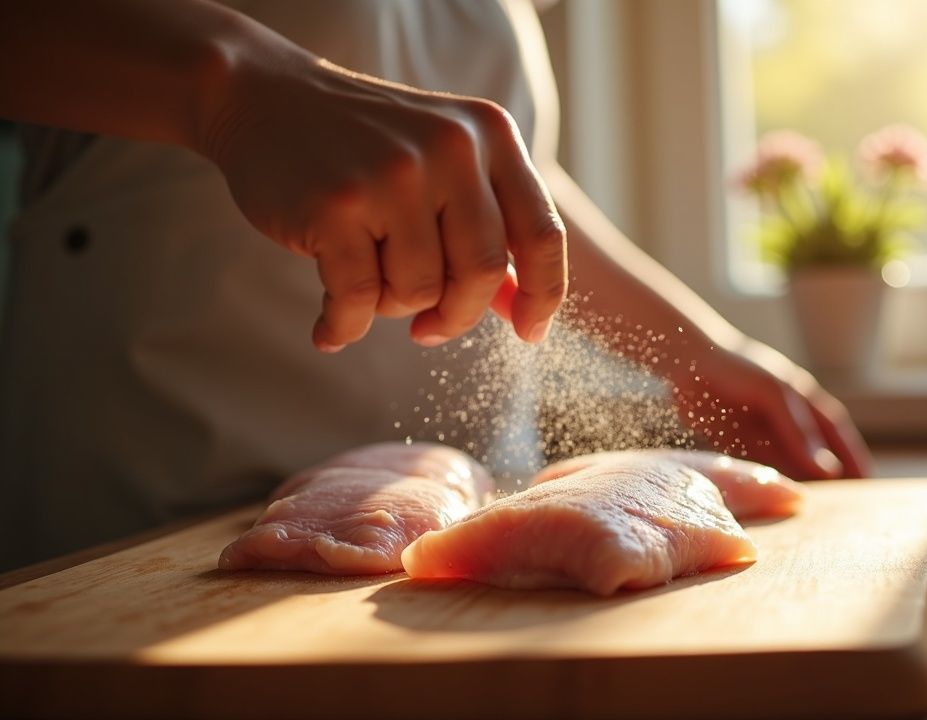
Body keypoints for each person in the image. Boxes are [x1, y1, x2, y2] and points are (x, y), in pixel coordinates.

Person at [0, 0, 870, 570]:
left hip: (477, 525)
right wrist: (231, 83)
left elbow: (511, 185)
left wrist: (698, 348)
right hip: (146, 522)